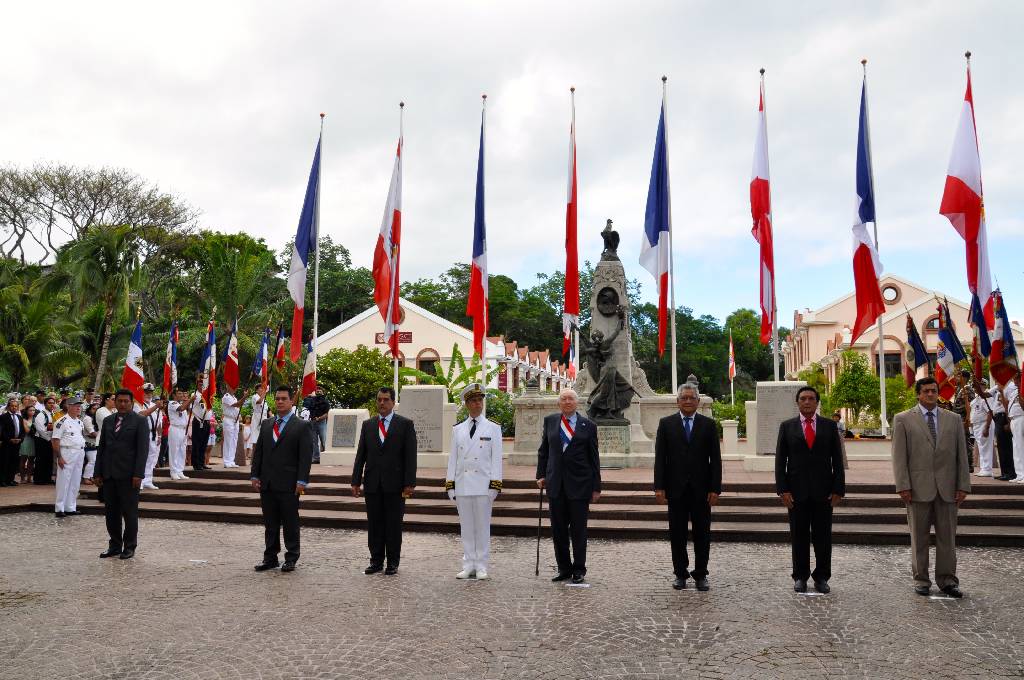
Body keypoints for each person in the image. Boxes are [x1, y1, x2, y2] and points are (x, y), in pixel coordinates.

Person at [892, 377, 971, 597]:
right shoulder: (903, 420)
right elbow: (899, 457)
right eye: (926, 391)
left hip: (947, 489)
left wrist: (963, 485)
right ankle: (921, 580)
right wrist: (903, 485)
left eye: (933, 391)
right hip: (917, 489)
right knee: (919, 538)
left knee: (948, 538)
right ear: (918, 394)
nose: (930, 394)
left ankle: (948, 580)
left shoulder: (953, 420)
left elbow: (961, 456)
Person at [775, 386, 845, 594]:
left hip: (824, 492)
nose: (807, 402)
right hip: (796, 493)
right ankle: (800, 576)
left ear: (817, 402)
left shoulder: (829, 426)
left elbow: (837, 461)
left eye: (811, 399)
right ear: (797, 402)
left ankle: (822, 576)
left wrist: (838, 489)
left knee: (823, 537)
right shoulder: (787, 427)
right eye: (803, 398)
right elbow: (780, 462)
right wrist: (782, 490)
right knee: (799, 536)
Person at [653, 383, 722, 591]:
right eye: (684, 398)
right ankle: (680, 574)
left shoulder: (708, 425)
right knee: (677, 534)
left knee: (702, 534)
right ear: (678, 401)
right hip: (676, 489)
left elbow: (715, 460)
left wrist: (715, 488)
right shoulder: (666, 424)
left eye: (692, 398)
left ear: (698, 401)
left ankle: (701, 574)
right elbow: (660, 459)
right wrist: (659, 487)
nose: (688, 401)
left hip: (702, 490)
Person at [536, 388, 601, 584]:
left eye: (570, 399)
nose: (567, 402)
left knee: (579, 530)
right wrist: (540, 475)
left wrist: (596, 487)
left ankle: (579, 569)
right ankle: (564, 568)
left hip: (580, 485)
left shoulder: (588, 425)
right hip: (555, 484)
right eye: (563, 399)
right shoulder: (550, 422)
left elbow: (594, 458)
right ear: (559, 403)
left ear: (577, 402)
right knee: (558, 530)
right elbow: (544, 451)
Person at [351, 387, 418, 576]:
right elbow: (361, 455)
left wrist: (409, 483)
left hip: (395, 484)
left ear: (393, 402)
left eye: (386, 400)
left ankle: (393, 562)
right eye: (379, 399)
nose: (382, 403)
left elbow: (410, 456)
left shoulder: (405, 424)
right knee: (374, 524)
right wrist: (355, 480)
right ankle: (376, 560)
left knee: (393, 524)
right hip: (372, 483)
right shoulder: (368, 425)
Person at [250, 386, 314, 573]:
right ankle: (270, 557)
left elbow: (305, 456)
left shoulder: (302, 426)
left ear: (291, 401)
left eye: (283, 398)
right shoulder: (268, 424)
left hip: (289, 483)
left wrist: (302, 480)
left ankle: (291, 557)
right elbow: (259, 453)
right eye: (277, 398)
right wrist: (255, 475)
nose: (279, 401)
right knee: (270, 523)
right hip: (267, 482)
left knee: (290, 522)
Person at [444, 384, 503, 580]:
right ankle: (468, 563)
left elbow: (496, 459)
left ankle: (482, 565)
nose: (478, 404)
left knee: (482, 526)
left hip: (483, 485)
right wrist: (450, 483)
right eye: (474, 401)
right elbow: (453, 458)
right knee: (466, 526)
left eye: (480, 400)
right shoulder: (458, 429)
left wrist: (495, 485)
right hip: (462, 484)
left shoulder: (493, 428)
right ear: (467, 404)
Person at [92, 389, 149, 560]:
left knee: (129, 513)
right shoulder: (109, 421)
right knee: (111, 513)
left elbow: (142, 450)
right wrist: (98, 472)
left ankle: (129, 546)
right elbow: (102, 448)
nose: (123, 404)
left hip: (129, 475)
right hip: (109, 474)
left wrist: (138, 474)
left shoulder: (140, 421)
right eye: (120, 401)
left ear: (131, 403)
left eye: (126, 401)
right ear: (114, 402)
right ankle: (115, 545)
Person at [53, 396, 95, 517]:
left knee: (75, 480)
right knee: (64, 480)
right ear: (68, 406)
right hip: (66, 452)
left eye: (79, 406)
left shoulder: (79, 422)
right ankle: (59, 507)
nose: (78, 408)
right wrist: (59, 457)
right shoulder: (61, 422)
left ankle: (70, 506)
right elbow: (55, 440)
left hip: (79, 452)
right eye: (76, 406)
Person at [134, 384, 164, 491]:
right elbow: (142, 415)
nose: (148, 394)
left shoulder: (153, 404)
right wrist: (156, 406)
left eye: (150, 392)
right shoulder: (138, 404)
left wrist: (159, 435)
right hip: (143, 433)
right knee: (143, 457)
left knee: (152, 458)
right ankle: (140, 480)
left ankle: (148, 480)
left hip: (153, 434)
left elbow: (159, 422)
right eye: (146, 392)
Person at [970, 381, 995, 478]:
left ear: (983, 386)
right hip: (977, 425)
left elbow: (990, 412)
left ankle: (987, 469)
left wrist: (987, 427)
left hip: (984, 424)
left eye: (978, 386)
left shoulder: (986, 397)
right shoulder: (977, 398)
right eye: (974, 386)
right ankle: (984, 468)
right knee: (981, 447)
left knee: (986, 447)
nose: (975, 388)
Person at [990, 384, 1015, 481]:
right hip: (997, 417)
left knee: (1007, 447)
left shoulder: (1011, 386)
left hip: (1004, 417)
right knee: (1000, 446)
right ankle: (1004, 472)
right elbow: (985, 394)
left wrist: (1008, 422)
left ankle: (1010, 473)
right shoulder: (998, 386)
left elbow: (1008, 405)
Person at [1003, 376, 1024, 484]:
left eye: (1017, 379)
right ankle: (1020, 474)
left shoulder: (1022, 390)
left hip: (1021, 417)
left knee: (1021, 446)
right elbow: (1007, 404)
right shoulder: (1014, 391)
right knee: (1016, 448)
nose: (1014, 381)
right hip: (1013, 419)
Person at [166, 388, 190, 480]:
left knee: (182, 451)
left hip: (183, 429)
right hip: (175, 429)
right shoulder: (172, 403)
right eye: (179, 394)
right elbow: (182, 408)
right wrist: (190, 399)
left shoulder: (180, 403)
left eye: (181, 393)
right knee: (174, 451)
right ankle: (173, 472)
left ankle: (180, 471)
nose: (181, 395)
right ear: (174, 395)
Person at [32, 395, 57, 484]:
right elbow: (40, 429)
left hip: (50, 439)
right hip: (42, 440)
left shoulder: (54, 414)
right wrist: (48, 439)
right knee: (40, 459)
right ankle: (38, 479)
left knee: (49, 459)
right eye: (49, 403)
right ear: (45, 404)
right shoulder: (41, 414)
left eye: (53, 403)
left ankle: (47, 478)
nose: (51, 405)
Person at [1, 398, 25, 487]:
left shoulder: (19, 417)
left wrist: (20, 439)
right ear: (8, 407)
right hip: (7, 443)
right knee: (5, 461)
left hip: (17, 443)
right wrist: (9, 439)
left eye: (16, 406)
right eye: (12, 406)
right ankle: (2, 480)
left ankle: (10, 479)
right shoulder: (3, 417)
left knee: (14, 462)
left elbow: (22, 430)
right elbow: (2, 431)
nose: (14, 408)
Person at [220, 389, 241, 468]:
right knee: (228, 440)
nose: (234, 388)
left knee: (234, 440)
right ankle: (226, 461)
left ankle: (231, 460)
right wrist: (245, 397)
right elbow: (237, 404)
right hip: (228, 419)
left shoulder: (234, 397)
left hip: (235, 420)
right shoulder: (226, 397)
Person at [308, 388, 330, 459]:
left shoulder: (326, 402)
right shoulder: (312, 401)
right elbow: (309, 409)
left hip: (321, 422)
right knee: (314, 441)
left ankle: (325, 457)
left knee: (323, 440)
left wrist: (319, 418)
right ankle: (316, 457)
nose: (318, 392)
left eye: (320, 391)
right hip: (313, 422)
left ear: (323, 393)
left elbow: (327, 413)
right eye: (317, 391)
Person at [19, 404, 38, 483]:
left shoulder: (36, 419)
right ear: (26, 411)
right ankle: (22, 478)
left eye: (33, 410)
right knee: (23, 459)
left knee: (31, 460)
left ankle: (29, 477)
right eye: (30, 410)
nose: (32, 412)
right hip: (26, 440)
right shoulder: (23, 419)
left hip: (34, 440)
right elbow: (26, 431)